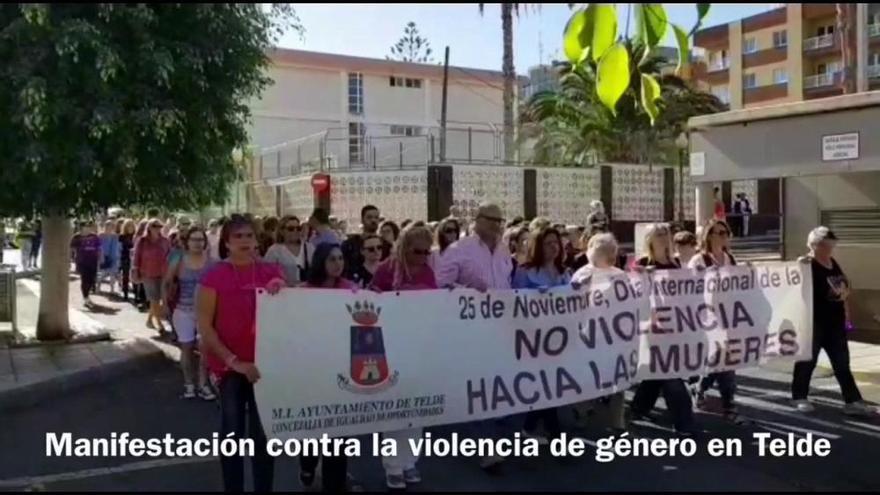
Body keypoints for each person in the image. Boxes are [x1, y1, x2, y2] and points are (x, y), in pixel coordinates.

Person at [198, 214, 286, 493]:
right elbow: (205, 326)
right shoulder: (213, 276)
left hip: (263, 367)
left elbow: (291, 314)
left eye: (249, 235)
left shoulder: (271, 271)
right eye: (238, 237)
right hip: (229, 368)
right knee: (232, 432)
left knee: (262, 436)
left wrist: (282, 292)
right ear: (227, 242)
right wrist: (233, 362)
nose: (245, 241)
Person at [436, 202, 511, 471]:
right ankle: (485, 447)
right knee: (476, 388)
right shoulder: (460, 250)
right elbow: (440, 285)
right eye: (491, 220)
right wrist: (466, 290)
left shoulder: (503, 251)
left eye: (500, 221)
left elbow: (507, 286)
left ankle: (495, 440)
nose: (496, 225)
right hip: (469, 330)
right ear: (477, 220)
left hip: (499, 328)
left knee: (496, 386)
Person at [370, 224, 437, 489]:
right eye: (417, 251)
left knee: (416, 405)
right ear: (405, 247)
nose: (421, 257)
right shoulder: (388, 269)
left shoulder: (428, 271)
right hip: (393, 344)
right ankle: (392, 464)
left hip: (420, 345)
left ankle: (410, 461)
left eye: (426, 252)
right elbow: (373, 298)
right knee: (395, 405)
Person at [791, 227, 875, 416]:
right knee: (807, 360)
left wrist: (846, 313)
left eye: (830, 243)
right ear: (815, 245)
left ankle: (852, 401)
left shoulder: (832, 263)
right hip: (814, 321)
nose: (829, 247)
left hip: (835, 322)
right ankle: (799, 396)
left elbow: (842, 286)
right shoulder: (807, 264)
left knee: (842, 363)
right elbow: (793, 283)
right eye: (825, 244)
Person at [299, 243, 358, 491]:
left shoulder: (351, 291)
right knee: (313, 432)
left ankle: (334, 484)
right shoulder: (302, 292)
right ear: (321, 261)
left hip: (342, 371)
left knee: (339, 434)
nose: (337, 263)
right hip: (312, 372)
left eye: (341, 258)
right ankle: (308, 464)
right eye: (332, 259)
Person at [630, 223, 696, 435]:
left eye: (666, 234)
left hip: (675, 327)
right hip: (653, 328)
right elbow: (630, 294)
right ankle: (684, 422)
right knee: (671, 374)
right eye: (658, 234)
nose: (663, 238)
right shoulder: (640, 263)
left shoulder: (676, 263)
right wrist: (640, 277)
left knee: (657, 372)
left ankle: (639, 407)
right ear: (649, 239)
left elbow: (688, 291)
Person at [511, 226, 570, 444]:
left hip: (560, 338)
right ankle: (556, 436)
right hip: (534, 338)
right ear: (538, 246)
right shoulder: (525, 271)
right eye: (548, 243)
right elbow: (514, 302)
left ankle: (529, 428)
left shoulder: (564, 272)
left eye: (557, 243)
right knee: (546, 386)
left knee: (550, 386)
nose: (554, 247)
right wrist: (535, 297)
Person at [571, 233, 627, 432]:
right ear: (592, 251)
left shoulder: (619, 276)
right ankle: (582, 411)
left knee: (619, 378)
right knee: (588, 377)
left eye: (612, 251)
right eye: (605, 251)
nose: (611, 256)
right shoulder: (581, 276)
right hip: (588, 336)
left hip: (614, 337)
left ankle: (617, 421)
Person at [688, 219, 740, 421]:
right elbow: (690, 289)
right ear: (708, 235)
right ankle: (729, 404)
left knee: (722, 361)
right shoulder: (699, 261)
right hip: (707, 319)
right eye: (718, 232)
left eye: (725, 232)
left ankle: (700, 388)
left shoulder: (730, 258)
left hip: (729, 317)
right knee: (722, 362)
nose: (722, 236)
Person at [165, 226, 215, 401]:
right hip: (183, 310)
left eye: (201, 240)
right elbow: (167, 282)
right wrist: (166, 307)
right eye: (194, 239)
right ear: (187, 242)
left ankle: (203, 384)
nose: (197, 243)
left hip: (206, 312)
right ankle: (189, 384)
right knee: (186, 348)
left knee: (205, 349)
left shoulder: (211, 262)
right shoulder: (179, 260)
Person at [134, 218, 172, 336]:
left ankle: (149, 320)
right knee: (154, 299)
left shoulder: (165, 241)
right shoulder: (142, 241)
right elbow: (136, 256)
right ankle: (159, 324)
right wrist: (135, 269)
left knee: (159, 299)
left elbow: (170, 255)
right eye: (155, 226)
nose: (158, 228)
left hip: (163, 273)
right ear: (149, 227)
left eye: (160, 226)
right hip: (147, 273)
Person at [341, 205, 387, 278]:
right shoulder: (349, 244)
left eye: (376, 217)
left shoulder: (385, 245)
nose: (373, 220)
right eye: (369, 217)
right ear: (362, 220)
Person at [263, 215, 310, 287]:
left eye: (298, 228)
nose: (295, 231)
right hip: (284, 292)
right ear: (282, 231)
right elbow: (266, 273)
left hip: (309, 291)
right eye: (291, 229)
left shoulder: (310, 247)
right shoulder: (274, 251)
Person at [71, 220, 103, 308]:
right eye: (86, 227)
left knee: (91, 279)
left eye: (89, 227)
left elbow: (99, 248)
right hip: (82, 261)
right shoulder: (76, 237)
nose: (88, 229)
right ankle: (85, 298)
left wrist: (100, 259)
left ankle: (87, 295)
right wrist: (72, 259)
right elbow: (72, 249)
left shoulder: (94, 237)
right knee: (84, 279)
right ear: (81, 228)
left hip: (93, 261)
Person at [98, 220, 122, 295]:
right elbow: (99, 246)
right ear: (105, 226)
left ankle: (112, 289)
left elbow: (117, 246)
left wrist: (117, 257)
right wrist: (100, 256)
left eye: (111, 226)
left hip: (113, 256)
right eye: (108, 225)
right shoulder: (101, 235)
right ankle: (98, 286)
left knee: (112, 273)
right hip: (104, 256)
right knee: (103, 274)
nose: (110, 227)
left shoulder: (115, 236)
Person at [119, 219, 136, 302]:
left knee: (134, 275)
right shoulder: (121, 237)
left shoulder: (135, 236)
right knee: (125, 276)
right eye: (129, 225)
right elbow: (119, 248)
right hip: (125, 257)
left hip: (134, 258)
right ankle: (125, 293)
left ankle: (136, 294)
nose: (130, 227)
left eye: (132, 225)